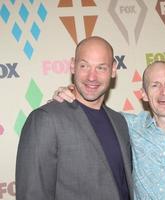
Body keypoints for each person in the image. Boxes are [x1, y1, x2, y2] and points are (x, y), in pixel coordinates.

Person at [54, 61, 165, 200]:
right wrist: (68, 93)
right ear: (144, 94)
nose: (163, 92)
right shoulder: (127, 125)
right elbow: (91, 111)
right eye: (155, 85)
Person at [15, 36, 133, 200]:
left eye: (101, 67)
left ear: (113, 70)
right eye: (84, 66)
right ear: (72, 66)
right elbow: (33, 194)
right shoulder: (46, 120)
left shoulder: (120, 122)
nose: (92, 77)